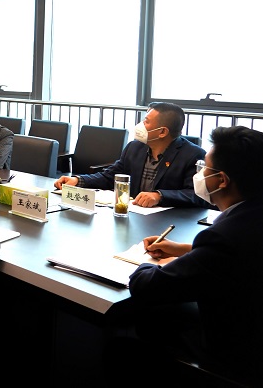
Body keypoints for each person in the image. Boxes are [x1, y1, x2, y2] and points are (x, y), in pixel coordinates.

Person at [106, 126, 263, 385]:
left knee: (130, 338)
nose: (199, 175)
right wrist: (185, 250)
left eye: (204, 168)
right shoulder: (248, 219)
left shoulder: (223, 237)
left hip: (234, 355)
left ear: (222, 180)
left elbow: (147, 286)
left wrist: (149, 265)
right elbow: (242, 251)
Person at [54, 102, 209, 208]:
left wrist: (159, 196)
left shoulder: (194, 155)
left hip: (171, 222)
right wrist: (78, 180)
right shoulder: (135, 147)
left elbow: (197, 195)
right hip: (133, 213)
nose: (140, 125)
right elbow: (110, 176)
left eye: (146, 122)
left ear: (162, 132)